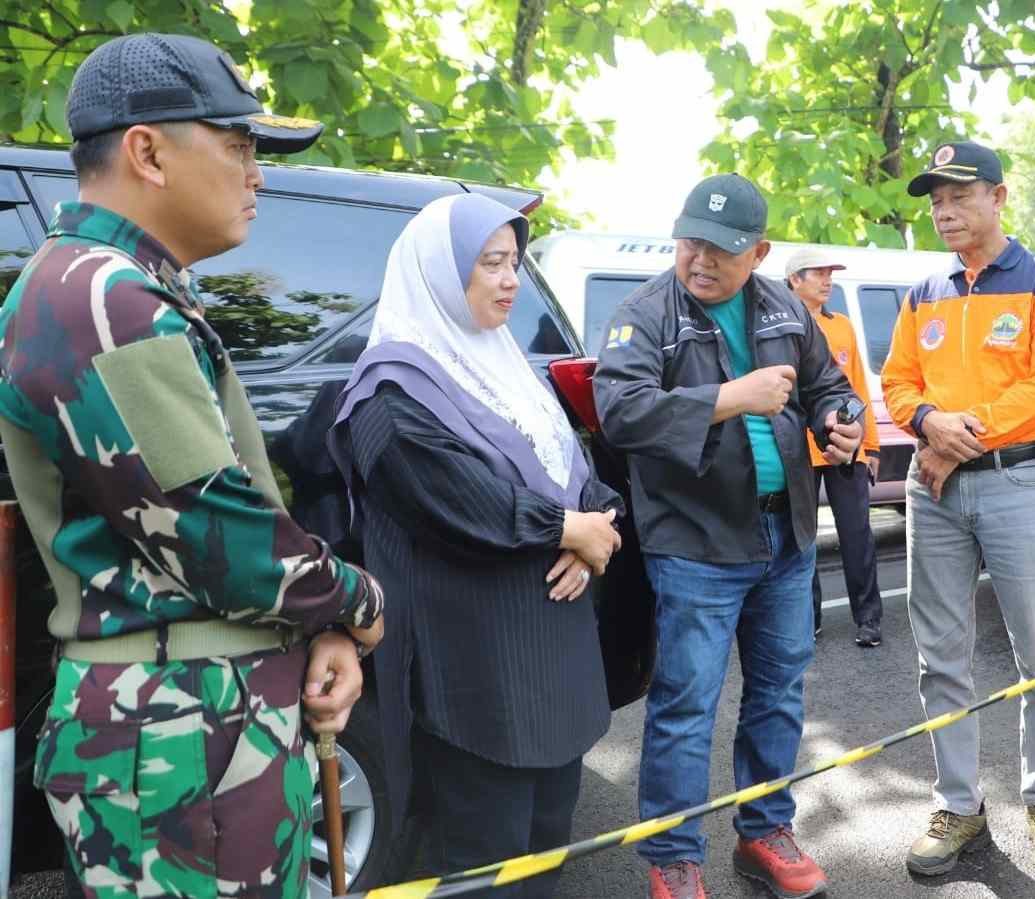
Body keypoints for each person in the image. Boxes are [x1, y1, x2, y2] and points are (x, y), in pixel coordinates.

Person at [0, 33, 383, 898]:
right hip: (175, 730)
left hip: (198, 721)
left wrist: (316, 625)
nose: (257, 174)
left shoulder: (117, 286)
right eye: (240, 146)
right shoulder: (104, 298)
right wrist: (359, 603)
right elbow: (217, 535)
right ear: (147, 151)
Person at [327, 194, 622, 897]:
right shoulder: (392, 389)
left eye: (514, 263)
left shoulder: (505, 367)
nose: (510, 279)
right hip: (475, 678)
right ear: (437, 271)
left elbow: (584, 475)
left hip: (552, 666)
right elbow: (454, 501)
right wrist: (563, 528)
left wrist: (592, 534)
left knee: (546, 843)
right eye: (491, 263)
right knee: (482, 859)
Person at [595, 173, 863, 899]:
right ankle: (674, 859)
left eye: (721, 249)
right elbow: (618, 411)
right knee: (685, 707)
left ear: (760, 251)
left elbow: (828, 384)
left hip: (787, 534)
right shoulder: (645, 312)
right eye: (690, 243)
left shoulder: (783, 304)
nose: (701, 260)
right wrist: (725, 399)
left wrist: (842, 421)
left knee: (778, 694)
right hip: (696, 543)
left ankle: (764, 831)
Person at [879, 141, 1035, 879]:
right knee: (940, 658)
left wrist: (955, 440)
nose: (944, 210)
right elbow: (897, 382)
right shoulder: (922, 292)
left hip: (1016, 485)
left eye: (959, 195)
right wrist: (929, 421)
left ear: (999, 197)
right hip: (932, 494)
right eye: (936, 200)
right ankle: (958, 806)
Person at [786, 248, 886, 647]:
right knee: (802, 540)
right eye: (819, 274)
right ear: (795, 280)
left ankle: (869, 618)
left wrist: (871, 448)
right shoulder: (779, 327)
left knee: (857, 534)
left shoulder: (841, 325)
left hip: (846, 450)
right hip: (797, 451)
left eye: (831, 274)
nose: (828, 281)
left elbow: (857, 389)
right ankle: (807, 619)